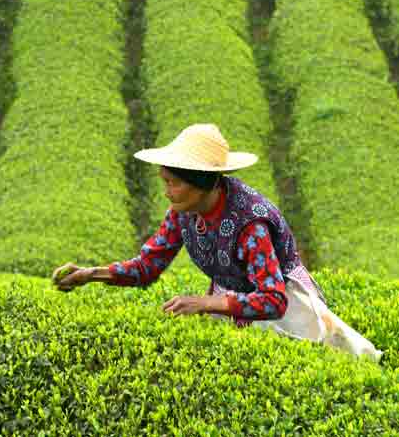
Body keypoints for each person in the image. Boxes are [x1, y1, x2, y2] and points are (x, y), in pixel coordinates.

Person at [53, 124, 382, 361]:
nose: (166, 192)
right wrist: (90, 274)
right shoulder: (183, 212)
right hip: (230, 297)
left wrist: (205, 303)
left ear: (201, 184)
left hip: (286, 305)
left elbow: (272, 300)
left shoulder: (251, 223)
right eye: (164, 182)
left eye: (173, 183)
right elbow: (147, 266)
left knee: (309, 363)